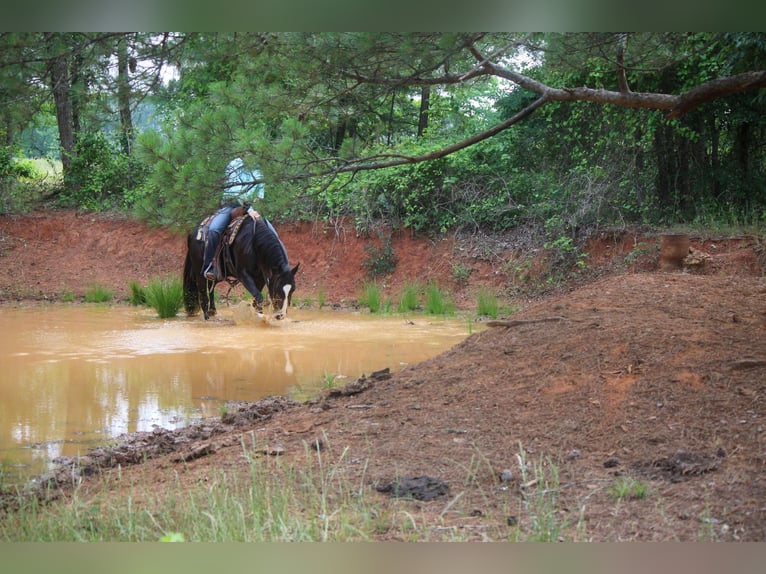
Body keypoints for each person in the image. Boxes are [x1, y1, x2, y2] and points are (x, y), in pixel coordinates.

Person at [201, 158, 264, 281]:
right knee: (214, 229)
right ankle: (209, 266)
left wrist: (254, 207)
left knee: (271, 232)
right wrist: (248, 208)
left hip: (251, 208)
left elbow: (259, 194)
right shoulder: (235, 164)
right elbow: (234, 191)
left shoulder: (258, 167)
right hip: (232, 206)